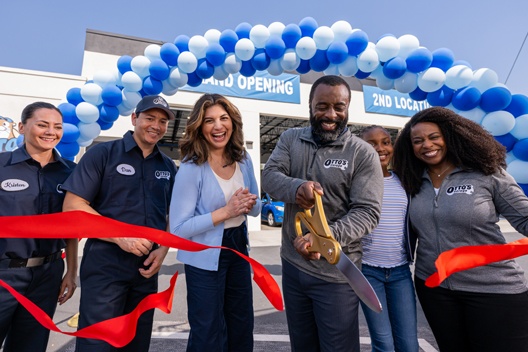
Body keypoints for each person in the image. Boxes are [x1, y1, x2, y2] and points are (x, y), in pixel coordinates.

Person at [261, 75, 383, 352]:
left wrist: (324, 239)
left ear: (348, 107)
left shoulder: (362, 153)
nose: (330, 114)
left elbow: (367, 212)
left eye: (338, 107)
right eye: (322, 106)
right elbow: (269, 176)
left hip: (336, 276)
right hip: (293, 267)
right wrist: (297, 187)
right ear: (310, 105)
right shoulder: (290, 139)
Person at [392, 106, 528, 352]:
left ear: (452, 136)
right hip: (435, 289)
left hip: (494, 290)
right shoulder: (411, 180)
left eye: (434, 137)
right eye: (418, 141)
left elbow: (525, 218)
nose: (427, 145)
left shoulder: (487, 174)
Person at [62, 95, 177, 352]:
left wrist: (164, 249)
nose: (156, 126)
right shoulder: (102, 154)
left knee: (135, 343)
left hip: (146, 269)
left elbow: (172, 214)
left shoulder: (168, 165)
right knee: (97, 344)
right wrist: (119, 237)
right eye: (149, 118)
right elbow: (73, 207)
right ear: (135, 118)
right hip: (106, 266)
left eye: (162, 121)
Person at [169, 93, 260, 352]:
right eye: (209, 121)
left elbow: (254, 208)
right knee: (208, 331)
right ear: (200, 127)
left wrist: (250, 204)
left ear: (233, 122)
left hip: (238, 248)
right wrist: (226, 211)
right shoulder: (191, 167)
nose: (218, 126)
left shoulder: (244, 159)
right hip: (204, 255)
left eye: (223, 118)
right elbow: (178, 229)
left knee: (241, 325)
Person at [0, 102, 77, 352]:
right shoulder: (2, 165)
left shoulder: (71, 172)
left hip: (48, 274)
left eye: (57, 127)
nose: (50, 132)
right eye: (42, 125)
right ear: (22, 127)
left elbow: (72, 227)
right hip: (4, 273)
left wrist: (71, 272)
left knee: (30, 346)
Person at [358, 125, 418, 352]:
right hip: (368, 272)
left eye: (385, 142)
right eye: (371, 144)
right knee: (384, 344)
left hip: (400, 272)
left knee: (409, 345)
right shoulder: (356, 183)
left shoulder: (405, 182)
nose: (380, 148)